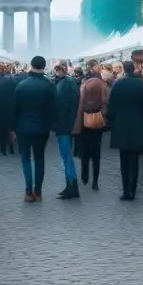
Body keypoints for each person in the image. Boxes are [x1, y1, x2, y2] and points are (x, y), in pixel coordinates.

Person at [106, 61, 143, 201]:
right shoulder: (141, 85)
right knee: (134, 160)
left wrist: (111, 124)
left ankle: (126, 191)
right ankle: (133, 189)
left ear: (124, 70)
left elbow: (111, 107)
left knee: (124, 160)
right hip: (137, 126)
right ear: (134, 69)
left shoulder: (118, 84)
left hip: (121, 126)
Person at [13, 56, 56, 202]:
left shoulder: (21, 85)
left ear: (31, 65)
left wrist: (13, 128)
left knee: (25, 158)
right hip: (42, 128)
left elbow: (15, 109)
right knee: (39, 158)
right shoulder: (49, 85)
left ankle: (28, 192)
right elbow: (52, 109)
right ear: (44, 67)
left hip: (23, 128)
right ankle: (38, 191)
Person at [74, 59, 109, 190]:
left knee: (85, 151)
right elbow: (105, 102)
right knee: (96, 152)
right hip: (97, 120)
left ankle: (84, 176)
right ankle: (95, 180)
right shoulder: (101, 85)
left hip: (85, 119)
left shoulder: (84, 84)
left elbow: (80, 104)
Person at [52, 62, 81, 200]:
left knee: (66, 156)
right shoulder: (66, 82)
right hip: (64, 125)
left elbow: (68, 106)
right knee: (65, 156)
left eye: (59, 69)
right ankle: (69, 185)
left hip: (64, 126)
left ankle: (72, 185)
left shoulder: (66, 83)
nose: (57, 71)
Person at [0, 64, 16, 155]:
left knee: (1, 130)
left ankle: (3, 149)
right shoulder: (10, 81)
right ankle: (11, 146)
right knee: (10, 129)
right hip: (9, 107)